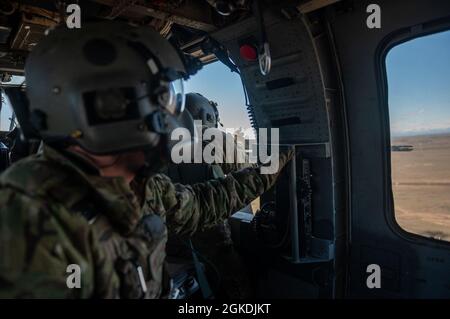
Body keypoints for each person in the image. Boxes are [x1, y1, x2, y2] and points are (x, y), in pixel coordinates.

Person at [0, 22, 293, 299]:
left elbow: (206, 203)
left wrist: (273, 161)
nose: (172, 117)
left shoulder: (143, 186)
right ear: (106, 109)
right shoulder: (24, 216)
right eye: (160, 98)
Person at [165, 93, 254, 299]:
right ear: (207, 115)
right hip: (213, 240)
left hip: (172, 240)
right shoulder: (216, 138)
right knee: (237, 285)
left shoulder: (164, 142)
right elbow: (246, 174)